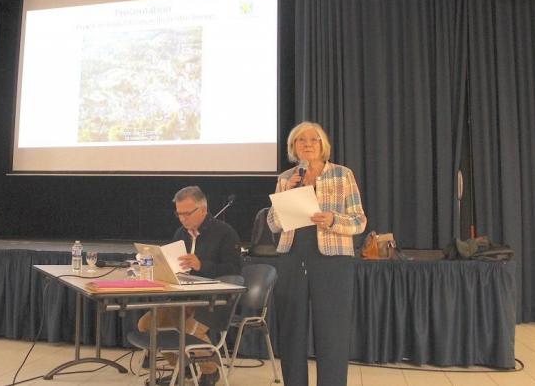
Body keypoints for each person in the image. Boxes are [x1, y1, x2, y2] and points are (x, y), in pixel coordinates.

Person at [267, 121, 367, 386]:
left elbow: (359, 221)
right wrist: (287, 195)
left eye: (314, 140)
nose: (308, 144)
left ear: (323, 146)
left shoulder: (342, 175)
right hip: (292, 258)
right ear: (293, 147)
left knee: (332, 333)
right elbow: (272, 223)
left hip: (332, 261)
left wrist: (333, 220)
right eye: (301, 140)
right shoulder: (286, 179)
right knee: (292, 332)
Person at [137, 186, 242, 386]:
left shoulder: (225, 232)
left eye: (187, 213)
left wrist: (202, 265)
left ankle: (210, 371)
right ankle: (182, 369)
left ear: (203, 210)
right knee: (146, 325)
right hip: (183, 297)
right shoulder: (180, 233)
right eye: (179, 214)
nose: (182, 219)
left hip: (214, 300)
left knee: (190, 329)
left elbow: (235, 271)